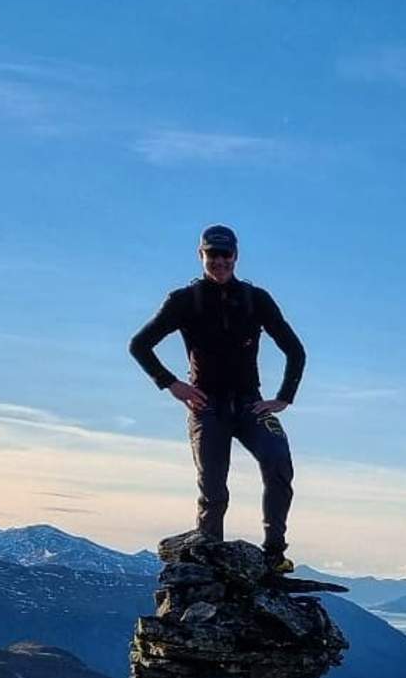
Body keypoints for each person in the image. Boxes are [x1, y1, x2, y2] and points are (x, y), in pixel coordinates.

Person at [129, 224, 306, 573]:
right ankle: (210, 560)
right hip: (206, 404)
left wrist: (283, 397)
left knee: (278, 461)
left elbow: (295, 350)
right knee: (213, 487)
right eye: (213, 254)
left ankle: (274, 554)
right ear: (201, 255)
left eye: (226, 255)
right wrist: (171, 384)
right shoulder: (184, 301)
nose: (220, 261)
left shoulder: (256, 300)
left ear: (236, 256)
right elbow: (139, 345)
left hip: (248, 402)